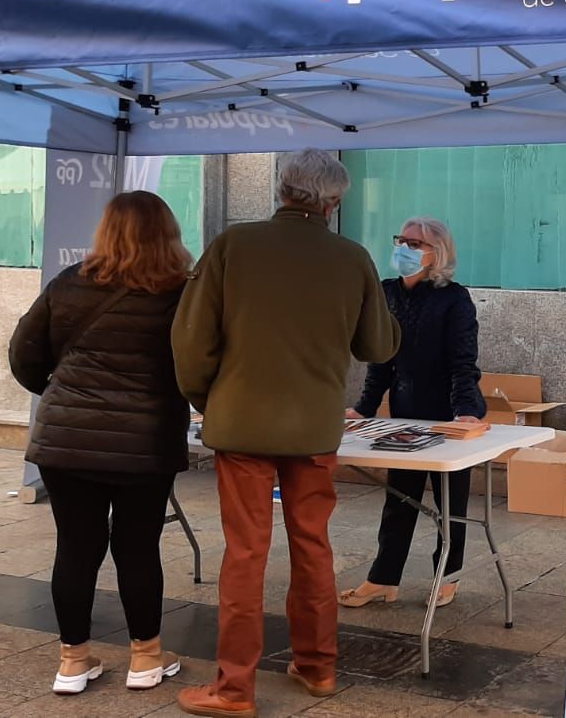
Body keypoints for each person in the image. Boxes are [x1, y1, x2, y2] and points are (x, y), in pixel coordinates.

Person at [171, 149, 400, 718]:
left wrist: (208, 400)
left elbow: (191, 341)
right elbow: (378, 347)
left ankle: (234, 688)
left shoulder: (233, 246)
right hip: (316, 429)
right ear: (335, 200)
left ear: (281, 188)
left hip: (242, 425)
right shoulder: (353, 258)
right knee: (313, 546)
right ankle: (318, 667)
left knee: (245, 554)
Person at [7, 191, 193, 696]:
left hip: (65, 442)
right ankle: (147, 658)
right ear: (168, 233)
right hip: (145, 443)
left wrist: (62, 396)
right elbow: (195, 367)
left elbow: (24, 355)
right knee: (137, 547)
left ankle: (72, 662)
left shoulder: (68, 284)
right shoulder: (182, 291)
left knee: (76, 547)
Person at [339, 216, 487, 611]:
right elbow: (380, 361)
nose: (404, 248)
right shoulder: (387, 294)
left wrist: (466, 412)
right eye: (401, 240)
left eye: (415, 243)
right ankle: (384, 578)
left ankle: (447, 577)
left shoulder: (454, 299)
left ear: (436, 253)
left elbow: (463, 362)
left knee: (449, 504)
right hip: (404, 415)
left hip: (449, 415)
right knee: (399, 501)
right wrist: (365, 407)